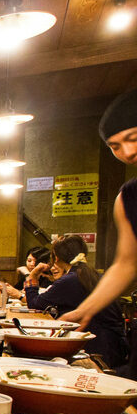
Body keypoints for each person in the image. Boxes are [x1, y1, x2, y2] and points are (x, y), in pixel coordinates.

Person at [63, 89, 137, 328]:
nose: (127, 152)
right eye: (115, 146)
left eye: (133, 138)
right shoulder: (127, 198)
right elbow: (127, 264)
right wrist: (84, 310)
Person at [24, 235, 128, 369]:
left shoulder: (69, 280)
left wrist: (32, 276)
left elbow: (34, 304)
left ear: (56, 258)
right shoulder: (93, 275)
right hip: (114, 346)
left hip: (97, 350)